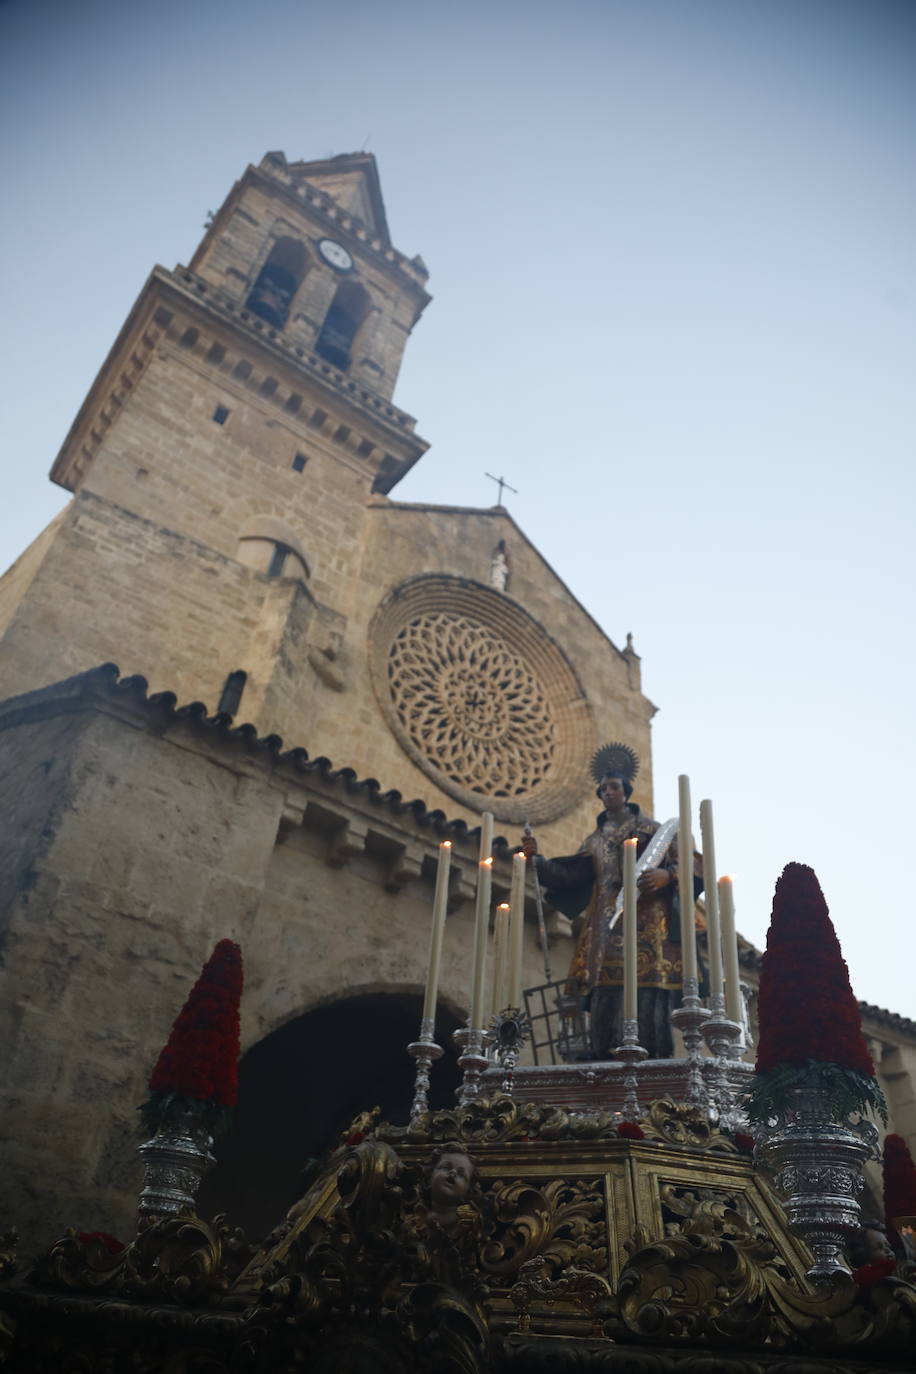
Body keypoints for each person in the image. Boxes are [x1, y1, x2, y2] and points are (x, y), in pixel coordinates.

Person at [521, 743, 702, 1060]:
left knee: (647, 997)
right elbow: (571, 876)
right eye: (602, 788)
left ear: (627, 791)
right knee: (604, 994)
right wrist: (537, 861)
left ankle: (654, 1064)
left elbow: (691, 863)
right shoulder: (594, 841)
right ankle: (602, 1063)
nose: (607, 792)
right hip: (605, 930)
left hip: (648, 932)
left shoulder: (653, 830)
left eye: (613, 786)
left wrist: (667, 876)